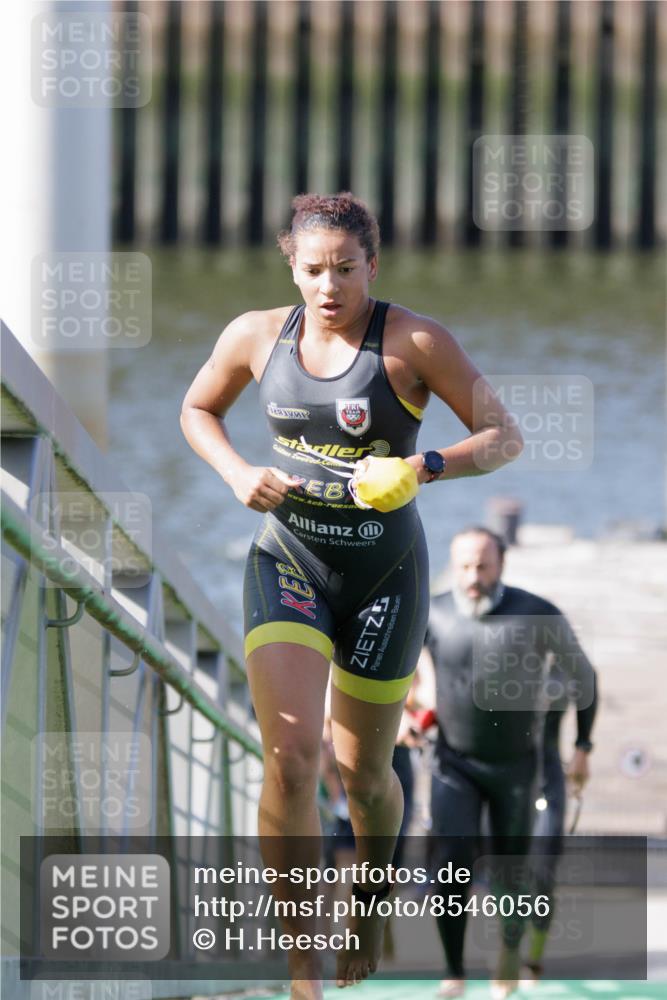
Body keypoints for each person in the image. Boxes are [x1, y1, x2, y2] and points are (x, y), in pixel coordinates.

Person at [179, 192, 523, 1000]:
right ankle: (301, 958)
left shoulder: (413, 342)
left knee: (363, 773)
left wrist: (422, 467)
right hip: (288, 564)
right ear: (289, 265)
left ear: (373, 264)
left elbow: (503, 435)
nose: (328, 286)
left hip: (384, 580)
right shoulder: (255, 335)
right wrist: (236, 474)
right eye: (311, 270)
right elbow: (198, 409)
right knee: (291, 760)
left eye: (344, 268)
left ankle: (367, 907)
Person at [418, 526, 597, 1000]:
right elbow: (401, 674)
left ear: (502, 563)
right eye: (464, 566)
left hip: (517, 766)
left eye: (483, 565)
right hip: (453, 762)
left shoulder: (536, 613)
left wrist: (583, 747)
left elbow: (585, 677)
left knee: (511, 871)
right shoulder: (431, 611)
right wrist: (405, 715)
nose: (473, 576)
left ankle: (508, 956)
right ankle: (454, 970)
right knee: (450, 865)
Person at [521, 660, 593, 985]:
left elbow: (590, 681)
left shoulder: (564, 668)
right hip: (507, 780)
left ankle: (532, 958)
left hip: (549, 778)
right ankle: (509, 948)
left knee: (542, 872)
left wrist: (583, 748)